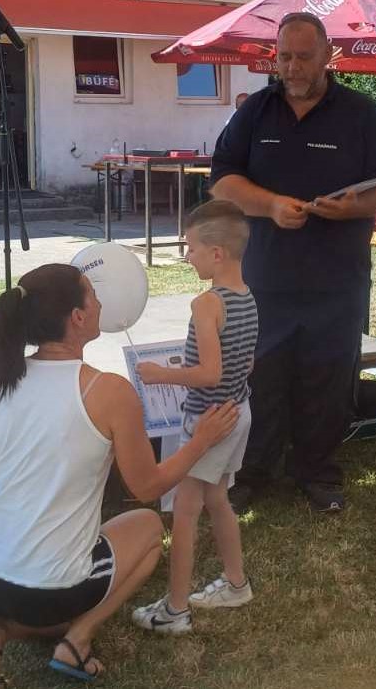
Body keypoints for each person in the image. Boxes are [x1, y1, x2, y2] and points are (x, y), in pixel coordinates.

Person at [0, 264, 239, 687]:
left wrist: (13, 531)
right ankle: (78, 640)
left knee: (46, 599)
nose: (101, 302)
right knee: (148, 527)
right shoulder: (107, 391)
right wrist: (201, 441)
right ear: (78, 317)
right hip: (54, 587)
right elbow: (147, 488)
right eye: (93, 294)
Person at [210, 11, 376, 513]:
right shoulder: (256, 112)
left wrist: (352, 207)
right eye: (284, 57)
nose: (292, 68)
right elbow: (222, 181)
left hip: (337, 278)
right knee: (259, 377)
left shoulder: (361, 114)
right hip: (264, 276)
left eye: (303, 57)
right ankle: (253, 472)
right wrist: (271, 205)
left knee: (327, 378)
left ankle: (317, 472)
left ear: (328, 55)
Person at [131, 200, 258, 634]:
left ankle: (176, 609)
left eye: (191, 248)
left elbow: (209, 373)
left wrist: (160, 374)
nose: (187, 256)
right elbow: (245, 364)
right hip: (237, 411)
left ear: (216, 253)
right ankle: (236, 584)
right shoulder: (247, 296)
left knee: (184, 512)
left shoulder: (206, 304)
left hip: (208, 422)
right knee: (217, 498)